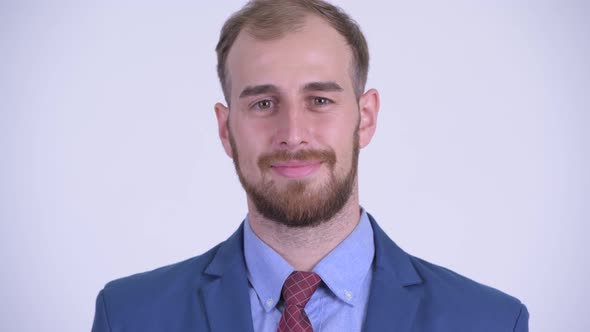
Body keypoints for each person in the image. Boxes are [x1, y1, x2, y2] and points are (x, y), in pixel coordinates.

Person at [91, 0, 529, 331]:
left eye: (320, 100)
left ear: (366, 118)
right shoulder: (129, 315)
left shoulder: (489, 321)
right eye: (263, 103)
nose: (293, 133)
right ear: (226, 129)